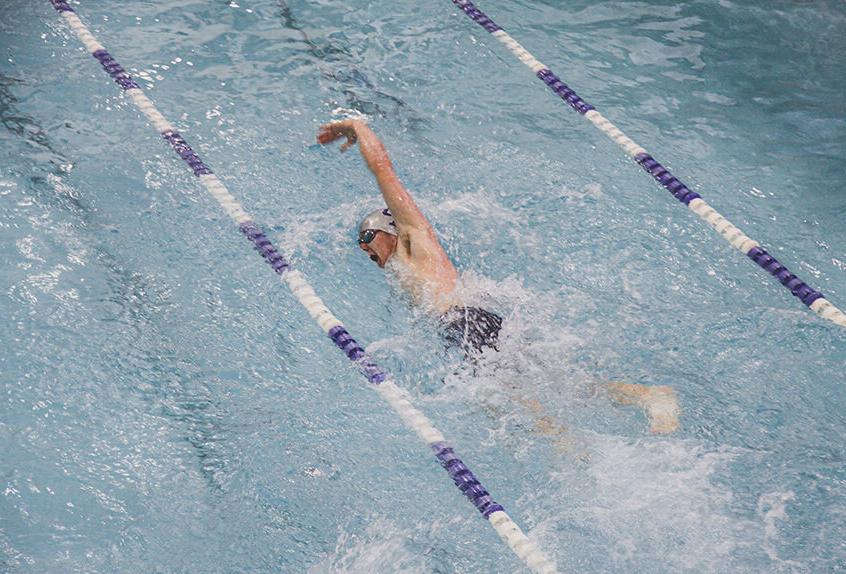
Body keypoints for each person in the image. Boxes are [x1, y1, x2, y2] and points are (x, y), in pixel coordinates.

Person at [317, 118, 679, 434]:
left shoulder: (415, 239)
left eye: (366, 237)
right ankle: (646, 396)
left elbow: (383, 171)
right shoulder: (400, 266)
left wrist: (357, 127)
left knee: (509, 400)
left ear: (389, 227)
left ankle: (569, 449)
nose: (364, 248)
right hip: (463, 325)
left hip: (467, 322)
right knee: (546, 387)